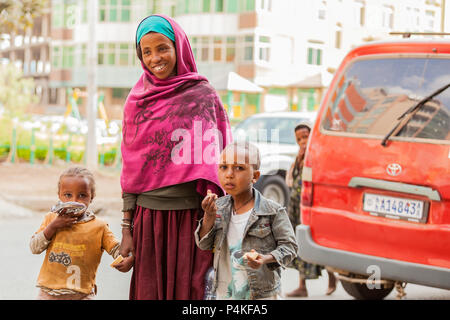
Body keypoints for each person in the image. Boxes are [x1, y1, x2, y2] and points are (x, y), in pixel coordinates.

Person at [118, 14, 231, 300]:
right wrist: (126, 229)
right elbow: (131, 170)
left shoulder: (202, 95)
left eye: (162, 47)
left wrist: (214, 216)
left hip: (192, 221)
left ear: (179, 47)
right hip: (148, 223)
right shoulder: (136, 102)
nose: (155, 57)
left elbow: (221, 157)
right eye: (147, 51)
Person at [195, 141, 298, 300]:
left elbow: (290, 247)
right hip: (226, 293)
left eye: (239, 168)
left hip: (261, 294)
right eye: (224, 167)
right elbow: (203, 244)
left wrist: (265, 258)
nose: (229, 174)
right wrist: (208, 216)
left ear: (255, 176)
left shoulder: (272, 211)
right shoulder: (218, 207)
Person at [30, 166, 130, 300]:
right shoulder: (51, 219)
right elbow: (34, 247)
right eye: (68, 195)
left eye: (82, 195)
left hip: (83, 294)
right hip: (49, 293)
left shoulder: (99, 227)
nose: (74, 200)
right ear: (59, 195)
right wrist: (53, 227)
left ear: (91, 197)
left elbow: (117, 250)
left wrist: (126, 258)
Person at [285, 123, 337, 298]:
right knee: (299, 245)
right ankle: (302, 286)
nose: (302, 141)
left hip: (309, 209)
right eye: (299, 139)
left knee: (316, 242)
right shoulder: (299, 157)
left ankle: (332, 276)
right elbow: (290, 180)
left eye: (305, 137)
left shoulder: (316, 155)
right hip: (295, 207)